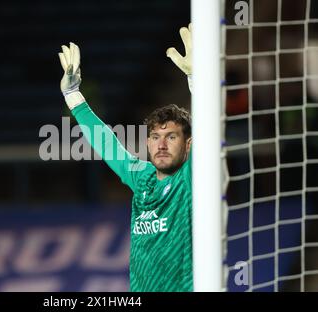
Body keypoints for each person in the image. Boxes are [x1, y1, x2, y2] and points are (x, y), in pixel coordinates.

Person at [57, 24, 193, 291]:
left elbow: (212, 129)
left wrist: (197, 82)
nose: (162, 145)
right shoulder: (141, 176)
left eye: (172, 137)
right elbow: (106, 143)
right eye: (155, 137)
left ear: (188, 145)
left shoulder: (190, 179)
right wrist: (72, 95)